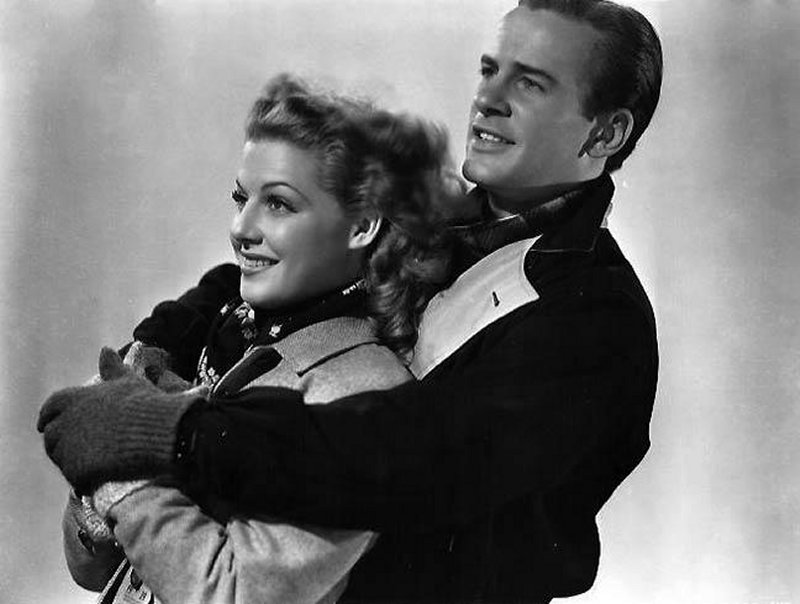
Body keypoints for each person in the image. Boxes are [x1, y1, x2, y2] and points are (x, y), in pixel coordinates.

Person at [39, 0, 663, 601]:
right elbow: (259, 276)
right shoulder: (437, 215)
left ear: (606, 132)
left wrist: (170, 434)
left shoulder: (597, 321)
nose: (487, 99)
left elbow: (405, 456)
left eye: (530, 84)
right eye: (488, 70)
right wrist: (157, 346)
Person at [51, 74, 454, 604]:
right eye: (241, 198)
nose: (242, 227)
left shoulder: (361, 388)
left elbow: (233, 595)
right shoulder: (228, 334)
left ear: (361, 226)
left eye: (279, 204)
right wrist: (91, 493)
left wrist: (121, 472)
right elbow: (92, 571)